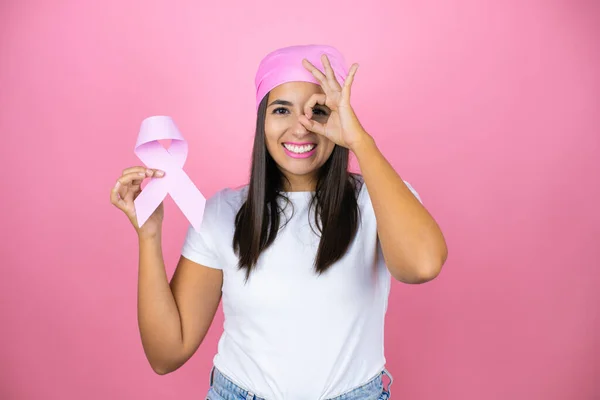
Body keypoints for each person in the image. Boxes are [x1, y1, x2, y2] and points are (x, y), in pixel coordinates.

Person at [110, 44, 447, 400]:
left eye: (317, 110)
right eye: (281, 109)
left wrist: (359, 141)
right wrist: (149, 235)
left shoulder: (377, 198)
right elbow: (166, 353)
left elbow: (422, 265)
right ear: (262, 121)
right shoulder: (222, 213)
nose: (300, 128)